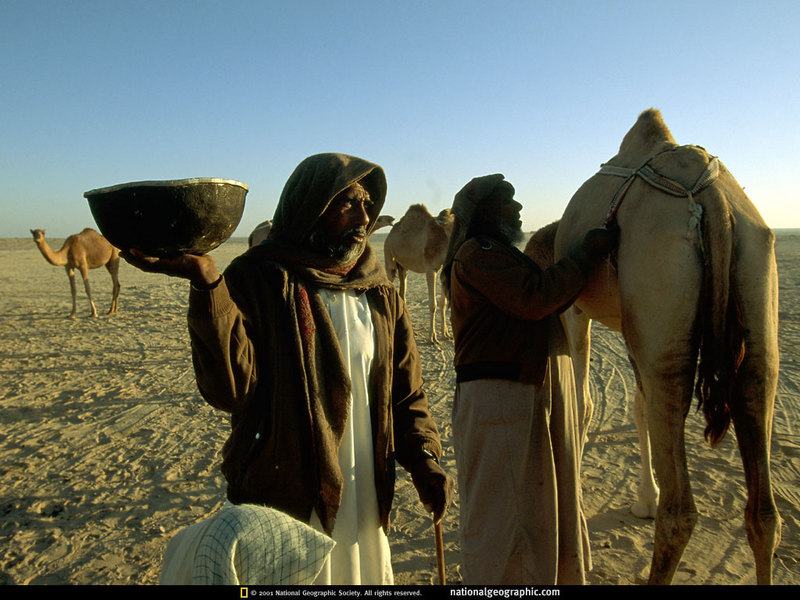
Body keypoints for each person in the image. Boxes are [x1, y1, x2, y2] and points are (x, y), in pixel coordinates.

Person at [124, 153, 454, 585]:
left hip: (364, 497)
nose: (364, 215)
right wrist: (207, 282)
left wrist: (425, 458)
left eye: (367, 204)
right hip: (287, 495)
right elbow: (231, 392)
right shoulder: (257, 280)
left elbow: (405, 395)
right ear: (311, 206)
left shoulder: (379, 293)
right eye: (348, 203)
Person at [441, 174, 618, 585]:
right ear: (483, 212)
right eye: (507, 201)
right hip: (500, 398)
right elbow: (535, 298)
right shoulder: (477, 254)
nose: (518, 207)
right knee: (507, 515)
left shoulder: (500, 254)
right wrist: (585, 255)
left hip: (522, 394)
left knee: (536, 506)